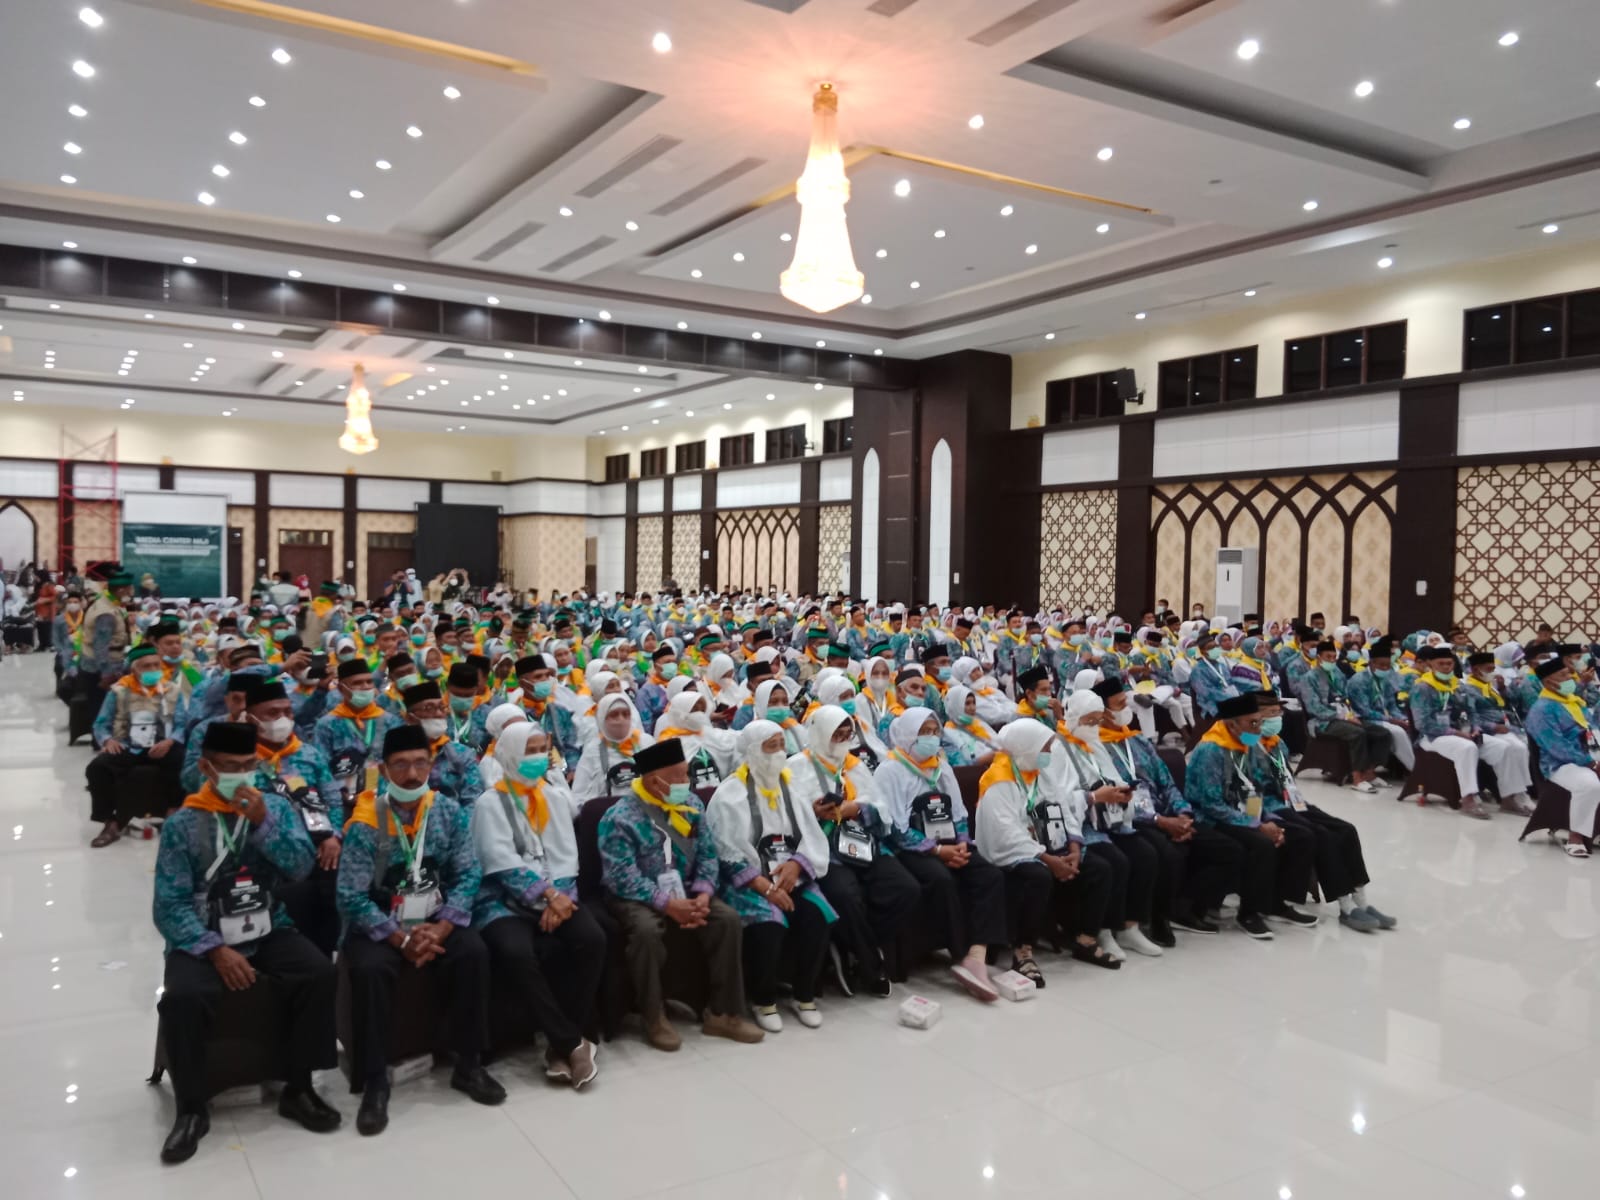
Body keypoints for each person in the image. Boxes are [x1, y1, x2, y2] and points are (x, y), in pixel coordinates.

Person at [152, 722, 339, 1164]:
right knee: (183, 996)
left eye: (249, 765)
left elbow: (300, 867)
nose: (242, 775)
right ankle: (192, 1107)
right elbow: (168, 905)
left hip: (267, 925)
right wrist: (214, 949)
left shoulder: (273, 807)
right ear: (207, 768)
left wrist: (262, 824)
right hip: (203, 934)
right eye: (230, 767)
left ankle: (299, 1086)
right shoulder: (183, 823)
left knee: (317, 972)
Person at [336, 725, 504, 1136]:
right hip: (380, 922)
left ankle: (468, 1063)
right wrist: (399, 938)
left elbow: (468, 873)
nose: (412, 774)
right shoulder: (366, 821)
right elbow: (350, 896)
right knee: (371, 969)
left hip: (435, 915)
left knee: (473, 952)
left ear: (431, 765)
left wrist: (443, 928)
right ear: (383, 770)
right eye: (400, 765)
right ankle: (375, 1080)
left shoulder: (446, 811)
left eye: (419, 763)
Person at [598, 738, 765, 1049]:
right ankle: (653, 1016)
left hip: (687, 888)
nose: (685, 782)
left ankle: (723, 1013)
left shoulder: (692, 805)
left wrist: (703, 893)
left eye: (686, 774)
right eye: (678, 776)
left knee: (726, 919)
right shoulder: (620, 817)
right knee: (646, 931)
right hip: (636, 895)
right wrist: (667, 904)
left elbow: (707, 854)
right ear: (653, 781)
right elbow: (621, 876)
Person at [471, 723, 605, 1088]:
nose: (538, 757)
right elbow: (499, 861)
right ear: (509, 755)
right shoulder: (490, 803)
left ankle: (561, 1045)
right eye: (529, 750)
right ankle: (571, 1043)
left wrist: (559, 898)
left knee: (592, 939)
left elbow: (566, 857)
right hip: (503, 902)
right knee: (516, 951)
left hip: (557, 897)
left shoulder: (553, 796)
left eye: (541, 749)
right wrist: (546, 895)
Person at [706, 721, 836, 1031]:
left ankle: (804, 994)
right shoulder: (730, 795)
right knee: (770, 923)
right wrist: (765, 887)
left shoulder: (791, 787)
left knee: (816, 913)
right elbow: (725, 851)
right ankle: (764, 1000)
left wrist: (797, 865)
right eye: (771, 746)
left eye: (782, 745)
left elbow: (812, 836)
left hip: (790, 875)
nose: (779, 753)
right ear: (752, 751)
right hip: (749, 882)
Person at [1091, 679, 1245, 939]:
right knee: (1169, 854)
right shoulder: (1097, 749)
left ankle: (1185, 906)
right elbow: (1115, 797)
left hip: (1167, 813)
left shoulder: (1137, 740)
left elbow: (1166, 782)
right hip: (1134, 819)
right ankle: (1159, 918)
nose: (1127, 708)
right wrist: (1160, 821)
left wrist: (1183, 813)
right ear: (1103, 712)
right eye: (1120, 704)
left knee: (1229, 849)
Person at [875, 709, 1008, 1000]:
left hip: (948, 843)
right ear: (908, 734)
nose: (931, 738)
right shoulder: (890, 770)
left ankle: (978, 952)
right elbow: (894, 828)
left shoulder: (941, 766)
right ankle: (960, 956)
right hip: (910, 847)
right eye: (924, 731)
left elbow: (958, 813)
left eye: (935, 731)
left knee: (989, 874)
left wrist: (961, 843)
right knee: (940, 879)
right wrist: (937, 851)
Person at [974, 719, 1120, 982]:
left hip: (1051, 846)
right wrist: (1047, 858)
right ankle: (1023, 951)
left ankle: (1085, 940)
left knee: (1100, 869)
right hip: (1013, 854)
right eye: (1045, 748)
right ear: (1026, 747)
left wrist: (1073, 847)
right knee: (1037, 876)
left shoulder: (1040, 772)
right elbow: (1005, 833)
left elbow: (1063, 808)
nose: (1049, 753)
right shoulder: (998, 779)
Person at [1249, 693, 1396, 933]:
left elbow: (1286, 779)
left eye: (1278, 712)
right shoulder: (1245, 745)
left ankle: (1361, 901)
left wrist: (1298, 801)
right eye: (1271, 713)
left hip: (1292, 801)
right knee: (1321, 834)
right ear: (1255, 717)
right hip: (1268, 806)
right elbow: (1248, 789)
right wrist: (1256, 819)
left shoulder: (1276, 743)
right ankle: (1345, 906)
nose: (1277, 718)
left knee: (1346, 829)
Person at [1184, 693, 1317, 939]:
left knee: (1297, 835)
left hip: (1247, 810)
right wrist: (1256, 825)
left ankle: (1276, 903)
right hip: (1212, 817)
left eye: (1260, 722)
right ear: (1232, 724)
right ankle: (1249, 913)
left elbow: (1257, 787)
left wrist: (1265, 819)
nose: (1258, 728)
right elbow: (1211, 803)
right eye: (1253, 723)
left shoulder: (1250, 744)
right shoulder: (1211, 749)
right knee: (1262, 843)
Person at [1054, 691, 1166, 960]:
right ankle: (1102, 929)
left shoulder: (1094, 744)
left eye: (1097, 721)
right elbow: (1057, 799)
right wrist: (1093, 797)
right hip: (1079, 826)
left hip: (1109, 818)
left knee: (1146, 854)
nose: (1094, 727)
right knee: (1115, 861)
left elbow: (1113, 777)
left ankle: (1130, 926)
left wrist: (1121, 793)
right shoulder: (1058, 748)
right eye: (1089, 721)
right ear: (1074, 718)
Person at [245, 675, 346, 956]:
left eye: (288, 711)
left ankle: (327, 955)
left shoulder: (308, 754)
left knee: (333, 888)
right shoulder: (243, 760)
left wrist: (334, 835)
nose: (283, 719)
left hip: (318, 844)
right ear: (251, 718)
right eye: (272, 713)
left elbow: (332, 799)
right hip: (267, 851)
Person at [85, 644, 186, 846]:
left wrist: (170, 741)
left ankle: (173, 813)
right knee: (97, 768)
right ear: (134, 669)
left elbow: (182, 724)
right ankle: (111, 822)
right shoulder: (119, 691)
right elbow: (101, 724)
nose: (153, 670)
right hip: (128, 746)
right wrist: (107, 740)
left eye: (156, 665)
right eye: (147, 666)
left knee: (183, 760)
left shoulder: (172, 691)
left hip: (162, 746)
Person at [1524, 657, 1600, 857]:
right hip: (1560, 764)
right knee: (1590, 784)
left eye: (1569, 674)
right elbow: (1556, 747)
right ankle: (1576, 837)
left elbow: (1592, 730)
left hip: (1589, 755)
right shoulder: (1541, 709)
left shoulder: (1573, 702)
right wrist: (1591, 763)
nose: (1571, 678)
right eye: (1564, 675)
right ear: (1549, 682)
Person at [1408, 645, 1495, 819]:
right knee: (1467, 748)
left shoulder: (1458, 686)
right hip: (1432, 736)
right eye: (1441, 664)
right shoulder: (1422, 688)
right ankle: (1468, 798)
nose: (1446, 667)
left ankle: (1512, 796)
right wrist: (1455, 732)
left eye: (1449, 664)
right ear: (1431, 665)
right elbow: (1422, 723)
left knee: (1508, 747)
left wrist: (1476, 728)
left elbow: (1472, 711)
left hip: (1462, 732)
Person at [1298, 640, 1394, 793]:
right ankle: (1357, 778)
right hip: (1323, 721)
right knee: (1358, 733)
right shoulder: (1309, 678)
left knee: (1382, 733)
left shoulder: (1337, 674)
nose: (1331, 660)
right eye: (1328, 657)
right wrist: (1341, 716)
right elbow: (1314, 708)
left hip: (1346, 715)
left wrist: (1349, 714)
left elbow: (1345, 698)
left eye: (1334, 657)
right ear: (1319, 657)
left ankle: (1369, 772)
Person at [313, 658, 403, 818]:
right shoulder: (327, 724)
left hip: (387, 801)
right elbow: (322, 769)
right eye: (357, 683)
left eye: (369, 682)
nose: (365, 687)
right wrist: (343, 796)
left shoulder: (390, 721)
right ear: (342, 688)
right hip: (345, 804)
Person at [1460, 650, 1536, 815]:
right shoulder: (1468, 689)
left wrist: (1502, 688)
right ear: (1476, 670)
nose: (1493, 672)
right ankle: (1513, 796)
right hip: (1485, 730)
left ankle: (1520, 794)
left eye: (1493, 668)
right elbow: (1470, 716)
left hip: (1503, 727)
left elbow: (1508, 704)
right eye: (1489, 669)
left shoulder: (1490, 686)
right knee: (1508, 748)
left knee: (1521, 748)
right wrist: (1492, 726)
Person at [400, 680, 485, 807]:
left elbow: (473, 802)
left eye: (441, 707)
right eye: (429, 708)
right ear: (410, 718)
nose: (439, 713)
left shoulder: (462, 754)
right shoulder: (397, 755)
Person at [1347, 639, 1416, 774]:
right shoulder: (1358, 680)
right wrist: (1391, 720)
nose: (1385, 668)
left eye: (1388, 665)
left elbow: (1391, 704)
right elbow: (1363, 710)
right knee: (1398, 732)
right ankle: (1414, 770)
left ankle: (1404, 768)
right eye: (1381, 665)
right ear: (1372, 663)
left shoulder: (1386, 678)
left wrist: (1402, 718)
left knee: (1410, 727)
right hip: (1363, 719)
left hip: (1383, 718)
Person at [572, 692, 653, 801]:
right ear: (602, 719)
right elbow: (579, 795)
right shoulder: (593, 750)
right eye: (614, 715)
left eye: (626, 714)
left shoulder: (646, 742)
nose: (621, 719)